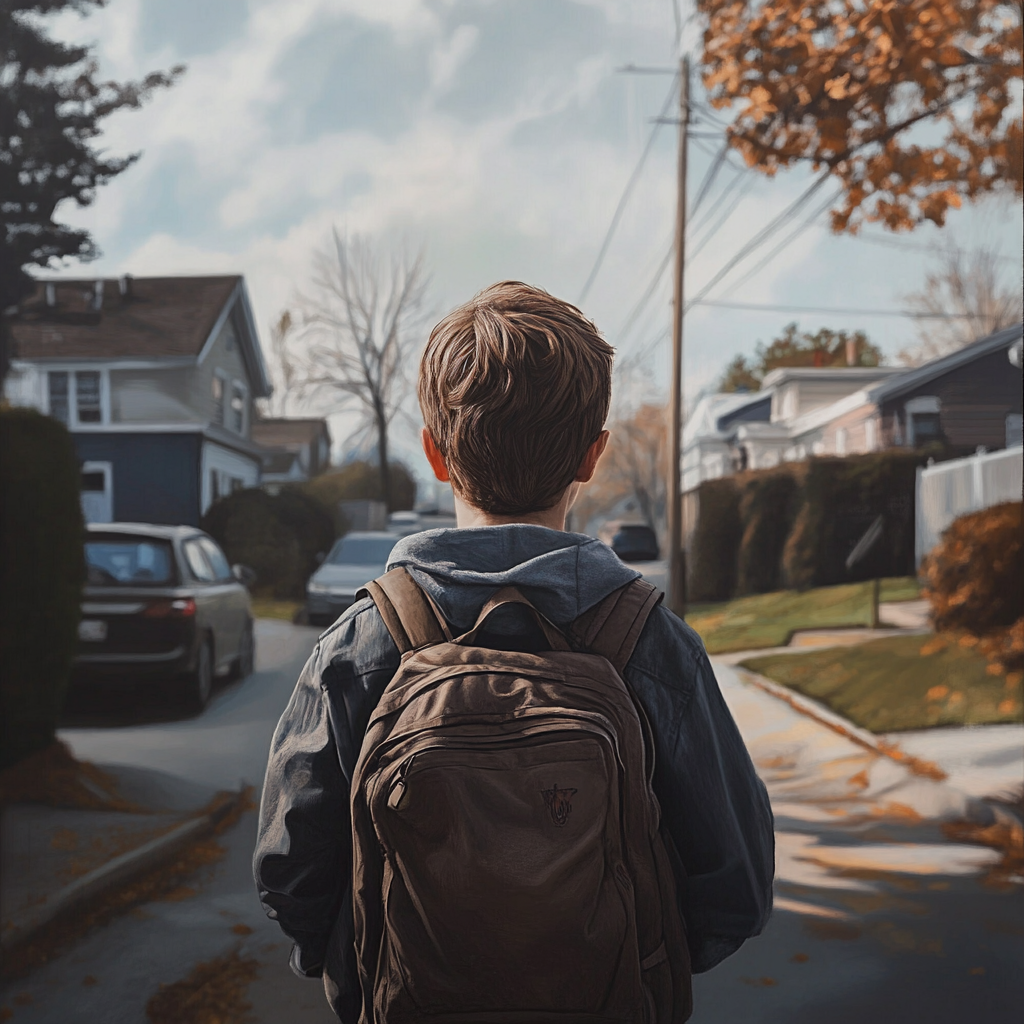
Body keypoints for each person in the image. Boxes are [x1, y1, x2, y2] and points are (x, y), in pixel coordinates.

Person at [254, 281, 774, 1021]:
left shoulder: (365, 642)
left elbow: (289, 872)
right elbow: (736, 888)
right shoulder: (649, 642)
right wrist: (627, 963)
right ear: (593, 456)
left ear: (435, 453)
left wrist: (363, 967)